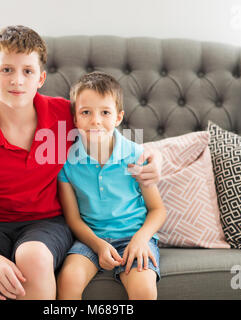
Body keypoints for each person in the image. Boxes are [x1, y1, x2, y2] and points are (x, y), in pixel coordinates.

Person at [0, 25, 162, 300]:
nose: (17, 81)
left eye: (27, 71)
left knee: (33, 258)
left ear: (41, 78)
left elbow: (109, 131)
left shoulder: (65, 116)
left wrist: (155, 158)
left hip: (45, 222)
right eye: (6, 70)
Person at [57, 72, 167, 300]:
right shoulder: (67, 162)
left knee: (144, 290)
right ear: (75, 119)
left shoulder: (135, 156)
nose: (95, 120)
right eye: (86, 112)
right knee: (68, 280)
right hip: (90, 239)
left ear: (118, 117)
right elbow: (73, 219)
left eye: (105, 112)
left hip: (133, 237)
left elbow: (158, 209)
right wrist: (97, 245)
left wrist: (140, 239)